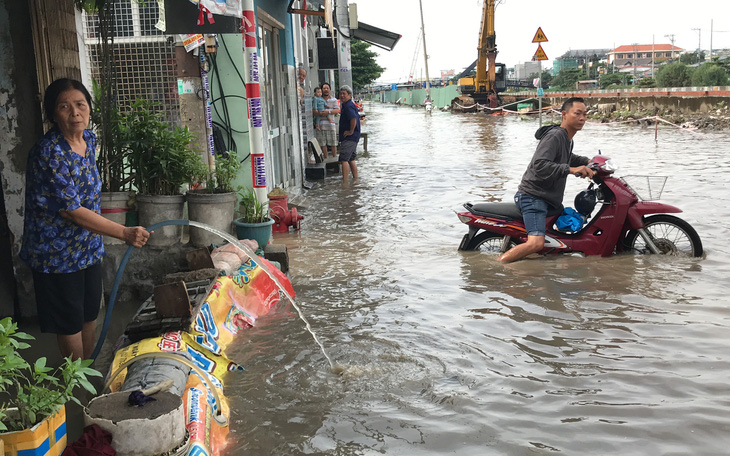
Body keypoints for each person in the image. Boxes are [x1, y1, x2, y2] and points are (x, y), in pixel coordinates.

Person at [20, 78, 151, 360]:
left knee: (89, 314)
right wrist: (124, 232)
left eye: (80, 105)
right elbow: (70, 210)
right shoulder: (49, 153)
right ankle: (75, 386)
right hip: (56, 254)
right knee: (69, 322)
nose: (74, 113)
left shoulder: (88, 140)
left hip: (87, 248)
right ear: (53, 114)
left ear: (89, 109)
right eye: (64, 107)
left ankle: (87, 372)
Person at [498, 97, 595, 263]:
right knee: (536, 243)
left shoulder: (566, 138)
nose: (582, 118)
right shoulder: (555, 136)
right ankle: (497, 267)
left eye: (585, 114)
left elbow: (565, 157)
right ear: (564, 114)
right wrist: (571, 170)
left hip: (549, 199)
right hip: (534, 197)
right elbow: (540, 165)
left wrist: (588, 161)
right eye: (577, 113)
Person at [338, 85, 361, 183]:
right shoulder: (348, 105)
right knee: (351, 159)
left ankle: (345, 183)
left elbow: (353, 119)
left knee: (344, 159)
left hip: (350, 137)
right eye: (341, 93)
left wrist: (351, 131)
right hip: (353, 137)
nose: (342, 96)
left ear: (350, 95)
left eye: (344, 94)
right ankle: (355, 181)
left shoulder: (348, 106)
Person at [317, 82, 340, 160]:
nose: (326, 90)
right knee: (323, 144)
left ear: (330, 89)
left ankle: (334, 159)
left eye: (327, 88)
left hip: (331, 125)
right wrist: (320, 113)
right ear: (321, 90)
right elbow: (314, 111)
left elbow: (337, 110)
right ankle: (326, 159)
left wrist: (328, 112)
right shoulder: (318, 99)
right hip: (321, 125)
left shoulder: (333, 100)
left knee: (333, 143)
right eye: (324, 88)